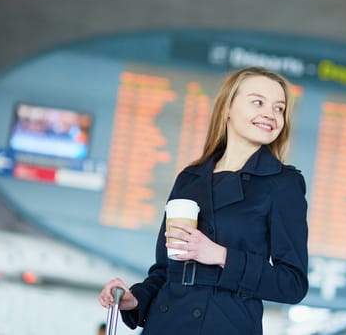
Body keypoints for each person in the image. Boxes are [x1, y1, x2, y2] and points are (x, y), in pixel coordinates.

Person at [98, 66, 309, 335]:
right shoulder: (189, 179)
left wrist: (221, 256)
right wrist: (133, 299)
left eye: (279, 108)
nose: (271, 114)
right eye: (258, 102)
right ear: (228, 108)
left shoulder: (283, 183)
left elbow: (292, 284)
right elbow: (165, 271)